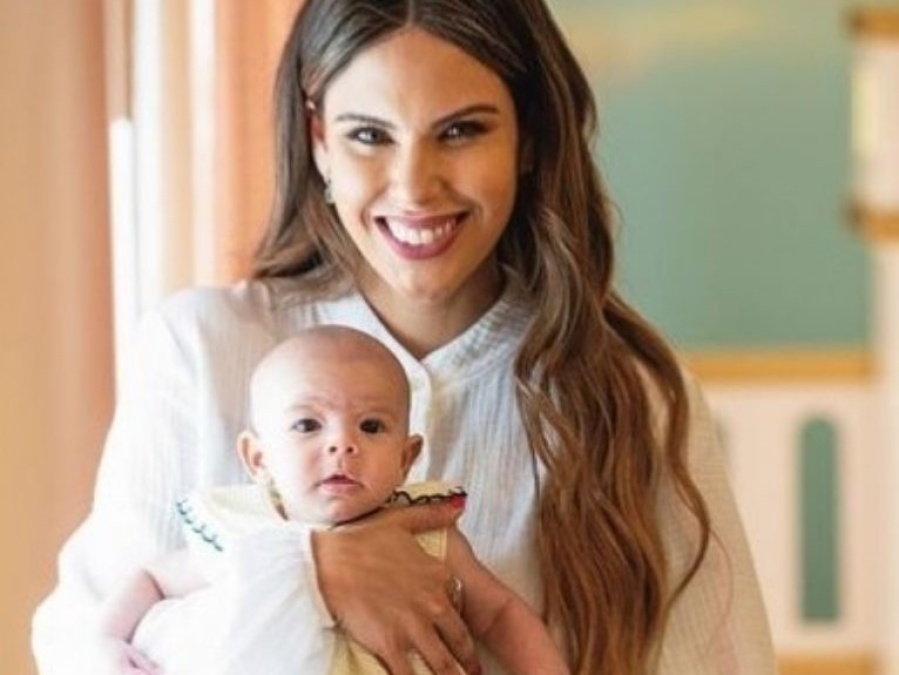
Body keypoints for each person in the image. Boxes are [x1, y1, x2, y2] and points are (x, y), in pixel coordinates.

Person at [32, 0, 777, 673]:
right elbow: (82, 649)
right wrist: (311, 571)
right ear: (319, 141)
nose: (415, 186)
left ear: (527, 137)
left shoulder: (634, 393)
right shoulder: (199, 349)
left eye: (460, 131)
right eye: (369, 135)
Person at [94, 326, 569, 674]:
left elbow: (501, 613)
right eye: (308, 425)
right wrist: (106, 644)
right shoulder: (244, 533)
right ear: (258, 458)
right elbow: (151, 578)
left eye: (371, 426)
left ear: (407, 458)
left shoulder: (428, 537)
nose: (343, 444)